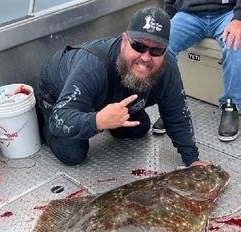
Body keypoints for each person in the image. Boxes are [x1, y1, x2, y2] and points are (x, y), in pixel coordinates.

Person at [36, 6, 208, 167]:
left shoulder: (167, 67)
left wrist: (192, 159)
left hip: (105, 96)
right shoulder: (93, 65)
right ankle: (42, 116)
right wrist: (97, 121)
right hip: (58, 92)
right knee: (73, 155)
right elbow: (61, 118)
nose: (146, 57)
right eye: (139, 46)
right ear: (125, 40)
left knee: (139, 128)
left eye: (156, 50)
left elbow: (178, 115)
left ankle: (110, 117)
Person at [152, 1, 241, 141]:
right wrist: (169, 19)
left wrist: (239, 18)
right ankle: (172, 106)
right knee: (162, 47)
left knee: (236, 44)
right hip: (189, 15)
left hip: (227, 14)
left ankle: (231, 104)